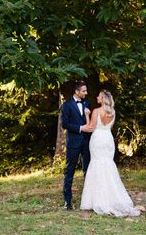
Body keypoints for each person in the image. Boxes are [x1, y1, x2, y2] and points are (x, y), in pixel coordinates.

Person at [80, 90, 140, 217]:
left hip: (97, 139)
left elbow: (90, 127)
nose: (96, 97)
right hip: (108, 139)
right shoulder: (113, 112)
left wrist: (86, 114)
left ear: (102, 98)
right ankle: (112, 197)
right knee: (108, 165)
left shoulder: (96, 111)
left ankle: (97, 200)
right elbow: (109, 127)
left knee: (97, 164)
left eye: (98, 96)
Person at [61, 81, 93, 210]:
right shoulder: (67, 105)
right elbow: (65, 124)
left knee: (88, 171)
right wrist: (80, 128)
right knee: (70, 171)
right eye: (84, 91)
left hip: (86, 142)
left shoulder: (87, 103)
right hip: (73, 143)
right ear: (76, 92)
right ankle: (67, 202)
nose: (86, 93)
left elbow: (89, 122)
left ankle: (88, 201)